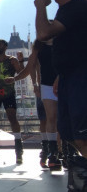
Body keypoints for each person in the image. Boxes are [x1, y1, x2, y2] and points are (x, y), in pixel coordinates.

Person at [34, 0, 87, 192]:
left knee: (83, 134)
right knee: (69, 133)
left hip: (81, 77)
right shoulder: (66, 11)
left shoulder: (76, 7)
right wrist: (60, 76)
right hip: (68, 77)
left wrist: (40, 6)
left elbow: (43, 33)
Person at [6, 41, 60, 170]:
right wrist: (16, 79)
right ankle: (52, 152)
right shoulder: (38, 46)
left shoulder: (62, 40)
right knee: (49, 118)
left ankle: (64, 151)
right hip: (46, 85)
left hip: (63, 82)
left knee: (62, 119)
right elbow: (30, 67)